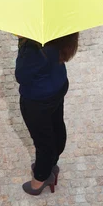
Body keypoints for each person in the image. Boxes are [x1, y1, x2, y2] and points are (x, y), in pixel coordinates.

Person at [15, 32, 79, 195]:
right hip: (58, 84)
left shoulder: (33, 48)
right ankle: (52, 163)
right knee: (56, 124)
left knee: (43, 141)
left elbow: (21, 75)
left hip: (37, 98)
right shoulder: (61, 32)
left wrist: (22, 43)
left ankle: (41, 178)